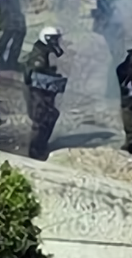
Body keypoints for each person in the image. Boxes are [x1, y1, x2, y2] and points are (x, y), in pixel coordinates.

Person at [23, 26, 67, 161]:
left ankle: (41, 146)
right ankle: (35, 152)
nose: (56, 42)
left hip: (41, 91)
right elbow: (35, 73)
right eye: (54, 39)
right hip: (37, 92)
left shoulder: (43, 50)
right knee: (41, 119)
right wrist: (55, 80)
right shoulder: (39, 54)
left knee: (50, 116)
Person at [92, 0, 124, 99]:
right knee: (116, 59)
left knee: (117, 60)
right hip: (111, 26)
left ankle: (112, 92)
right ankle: (112, 92)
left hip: (114, 26)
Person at [0, 0, 25, 71]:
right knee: (10, 29)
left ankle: (12, 61)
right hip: (7, 9)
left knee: (21, 30)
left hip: (15, 8)